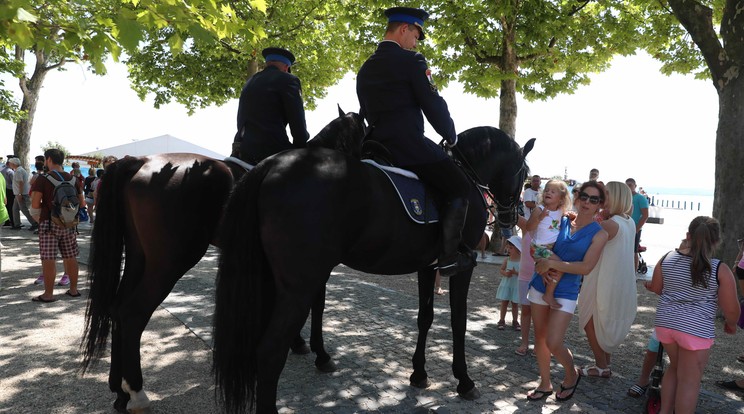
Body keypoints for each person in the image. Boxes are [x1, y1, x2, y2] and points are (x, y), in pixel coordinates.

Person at [356, 7, 474, 277]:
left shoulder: (366, 67)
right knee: (459, 186)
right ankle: (448, 258)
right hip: (408, 146)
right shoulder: (413, 62)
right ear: (403, 29)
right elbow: (432, 102)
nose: (416, 42)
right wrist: (451, 134)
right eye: (416, 35)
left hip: (373, 146)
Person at [644, 216, 739, 414]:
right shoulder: (719, 269)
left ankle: (665, 411)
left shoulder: (667, 257)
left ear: (688, 235)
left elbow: (658, 288)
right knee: (690, 380)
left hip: (666, 323)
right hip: (695, 329)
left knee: (675, 369)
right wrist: (731, 323)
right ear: (716, 241)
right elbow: (731, 308)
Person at [526, 181, 608, 402]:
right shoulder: (562, 219)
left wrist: (552, 265)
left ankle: (571, 374)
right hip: (539, 284)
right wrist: (540, 266)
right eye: (584, 196)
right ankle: (545, 383)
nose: (587, 202)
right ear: (578, 197)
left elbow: (585, 268)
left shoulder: (599, 234)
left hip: (567, 291)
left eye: (594, 200)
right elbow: (538, 244)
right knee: (540, 339)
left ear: (600, 205)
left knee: (553, 341)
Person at [577, 181, 636, 378]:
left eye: (607, 195)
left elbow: (583, 235)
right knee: (605, 322)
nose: (603, 199)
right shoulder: (629, 221)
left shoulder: (609, 225)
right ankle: (605, 361)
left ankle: (601, 366)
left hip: (602, 279)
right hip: (619, 280)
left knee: (588, 320)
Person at [235, 47, 309, 164]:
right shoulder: (289, 80)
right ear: (286, 67)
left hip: (240, 148)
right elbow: (296, 119)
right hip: (270, 149)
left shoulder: (250, 81)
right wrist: (302, 144)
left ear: (267, 63)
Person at [29, 148, 85, 302]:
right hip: (69, 223)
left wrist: (38, 218)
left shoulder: (43, 179)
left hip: (49, 223)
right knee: (71, 256)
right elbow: (82, 203)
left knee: (48, 258)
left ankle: (48, 294)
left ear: (48, 160)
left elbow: (35, 204)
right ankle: (73, 290)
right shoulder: (73, 179)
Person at [525, 179, 572, 309]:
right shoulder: (539, 210)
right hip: (539, 247)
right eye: (546, 190)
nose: (548, 193)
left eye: (553, 191)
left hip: (549, 248)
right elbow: (529, 227)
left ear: (561, 199)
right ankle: (548, 294)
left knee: (552, 269)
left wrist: (571, 216)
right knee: (561, 266)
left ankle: (543, 274)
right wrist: (540, 218)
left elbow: (564, 217)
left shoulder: (560, 210)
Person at [496, 235, 522, 331]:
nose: (508, 250)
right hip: (507, 284)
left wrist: (516, 273)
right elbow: (501, 270)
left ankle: (515, 321)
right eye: (508, 247)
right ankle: (501, 320)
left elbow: (524, 274)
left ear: (518, 248)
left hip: (516, 285)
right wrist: (506, 273)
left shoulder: (522, 261)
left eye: (511, 248)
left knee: (515, 304)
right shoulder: (507, 260)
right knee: (504, 302)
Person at [7, 157, 39, 231]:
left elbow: (21, 183)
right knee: (15, 209)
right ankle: (17, 224)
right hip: (18, 193)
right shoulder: (19, 170)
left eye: (10, 163)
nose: (10, 165)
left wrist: (20, 194)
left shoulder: (18, 171)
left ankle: (34, 223)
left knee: (23, 209)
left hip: (20, 193)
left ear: (13, 164)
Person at [626, 178, 649, 272]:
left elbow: (645, 215)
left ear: (635, 186)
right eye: (627, 185)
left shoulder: (640, 198)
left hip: (635, 228)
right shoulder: (625, 198)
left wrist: (636, 229)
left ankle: (634, 273)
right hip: (625, 227)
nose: (628, 187)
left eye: (630, 185)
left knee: (634, 251)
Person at [2, 155, 15, 227]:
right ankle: (13, 222)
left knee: (6, 206)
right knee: (11, 206)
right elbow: (14, 183)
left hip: (4, 189)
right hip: (10, 190)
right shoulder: (10, 172)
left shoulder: (2, 170)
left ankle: (7, 221)